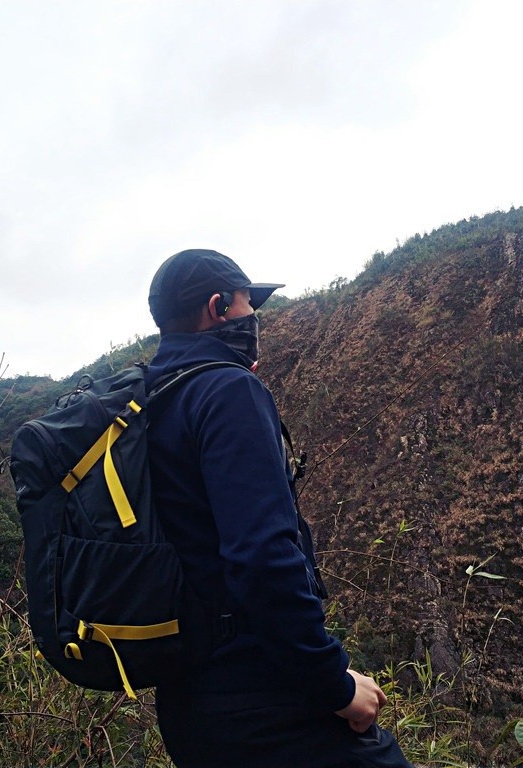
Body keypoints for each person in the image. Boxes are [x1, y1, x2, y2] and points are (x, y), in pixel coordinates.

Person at [145, 249, 413, 768]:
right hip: (262, 696)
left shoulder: (148, 399)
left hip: (187, 703)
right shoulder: (226, 391)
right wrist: (333, 683)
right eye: (249, 305)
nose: (255, 320)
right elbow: (263, 559)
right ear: (219, 306)